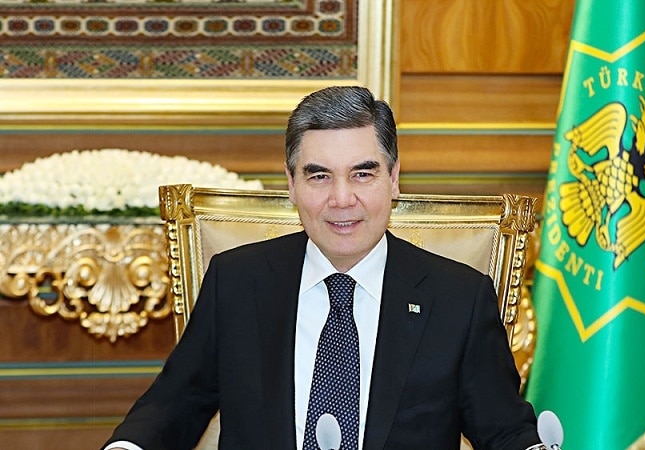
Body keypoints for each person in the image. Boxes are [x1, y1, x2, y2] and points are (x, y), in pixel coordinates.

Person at [103, 86, 543, 450]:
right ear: (291, 184)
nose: (341, 199)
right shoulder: (236, 282)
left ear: (393, 179)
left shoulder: (458, 298)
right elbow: (175, 403)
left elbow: (504, 429)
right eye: (319, 176)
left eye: (362, 174)